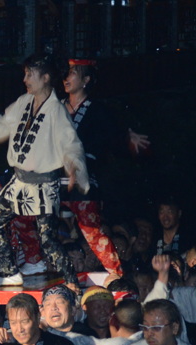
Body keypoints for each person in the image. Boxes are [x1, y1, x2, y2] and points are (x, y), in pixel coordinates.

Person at [0, 53, 89, 288]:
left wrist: (74, 168)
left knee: (48, 242)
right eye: (25, 73)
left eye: (30, 74)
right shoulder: (23, 101)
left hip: (44, 185)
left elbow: (70, 144)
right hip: (19, 181)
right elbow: (2, 123)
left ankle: (72, 284)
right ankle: (9, 271)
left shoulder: (56, 110)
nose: (25, 79)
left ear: (45, 78)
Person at [59, 57, 149, 277]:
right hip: (53, 179)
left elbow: (114, 134)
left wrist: (128, 136)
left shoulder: (98, 110)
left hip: (82, 179)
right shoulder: (55, 108)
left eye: (73, 73)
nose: (67, 78)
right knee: (41, 225)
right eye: (66, 73)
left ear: (86, 79)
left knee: (92, 232)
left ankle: (116, 275)